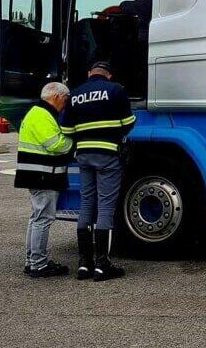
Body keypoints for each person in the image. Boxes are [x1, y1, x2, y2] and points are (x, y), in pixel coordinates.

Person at [60, 61, 135, 281]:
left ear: (89, 73)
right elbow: (128, 122)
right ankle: (102, 265)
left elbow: (66, 129)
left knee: (86, 204)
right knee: (106, 207)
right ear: (109, 75)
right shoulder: (115, 90)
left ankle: (84, 264)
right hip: (108, 154)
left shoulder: (75, 94)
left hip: (84, 155)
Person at [14, 81, 73, 278]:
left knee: (36, 218)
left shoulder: (36, 113)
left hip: (36, 174)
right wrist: (75, 142)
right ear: (56, 97)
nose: (66, 103)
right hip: (43, 175)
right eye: (65, 99)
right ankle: (38, 264)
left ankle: (32, 261)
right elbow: (56, 144)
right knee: (43, 219)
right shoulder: (42, 115)